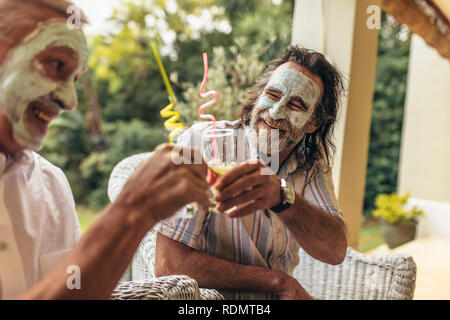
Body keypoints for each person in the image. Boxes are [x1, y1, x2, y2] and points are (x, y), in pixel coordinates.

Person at [0, 0, 209, 299]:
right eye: (57, 64)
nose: (70, 101)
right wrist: (133, 211)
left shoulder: (51, 184)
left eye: (74, 80)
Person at [152, 46, 348, 300]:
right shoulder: (201, 144)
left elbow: (334, 250)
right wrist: (277, 282)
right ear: (259, 95)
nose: (276, 112)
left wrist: (283, 198)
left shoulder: (310, 165)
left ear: (313, 122)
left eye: (296, 105)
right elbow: (168, 264)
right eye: (273, 94)